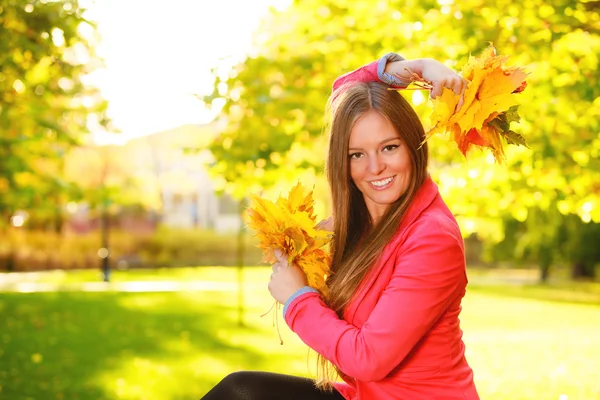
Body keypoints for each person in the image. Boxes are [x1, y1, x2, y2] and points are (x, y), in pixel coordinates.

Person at [200, 53, 479, 400]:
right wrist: (418, 68)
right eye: (356, 154)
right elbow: (343, 91)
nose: (374, 167)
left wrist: (297, 298)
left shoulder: (432, 238)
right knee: (240, 392)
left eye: (389, 147)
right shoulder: (368, 223)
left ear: (413, 145)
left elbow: (368, 359)